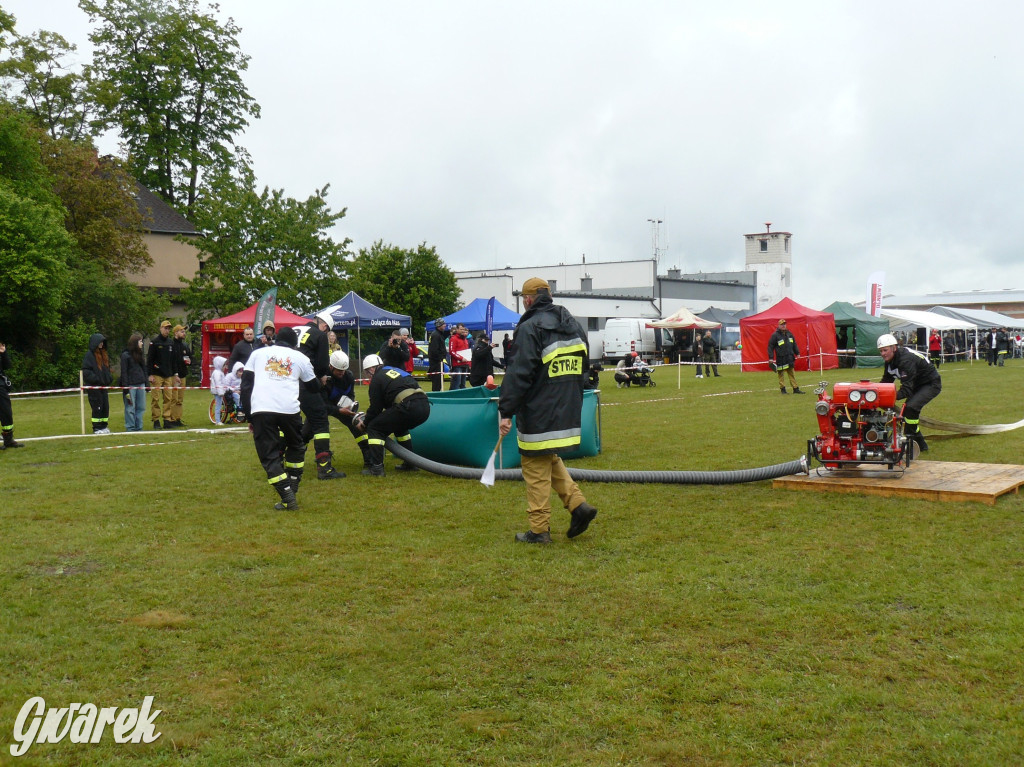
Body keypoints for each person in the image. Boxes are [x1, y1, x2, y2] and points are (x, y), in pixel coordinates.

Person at [498, 277, 597, 544]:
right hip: (569, 409)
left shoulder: (530, 327)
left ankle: (539, 529)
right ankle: (578, 506)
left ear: (528, 300)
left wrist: (505, 410)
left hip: (539, 412)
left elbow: (519, 373)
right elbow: (585, 366)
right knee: (547, 458)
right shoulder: (572, 323)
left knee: (533, 464)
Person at [240, 326, 319, 511]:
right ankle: (292, 486)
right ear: (295, 344)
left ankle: (287, 496)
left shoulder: (258, 354)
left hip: (262, 409)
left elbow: (245, 386)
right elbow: (314, 387)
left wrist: (249, 416)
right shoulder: (301, 358)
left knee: (269, 455)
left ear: (275, 339)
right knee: (296, 446)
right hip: (289, 409)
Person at [356, 353, 431, 476]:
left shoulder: (377, 378)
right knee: (399, 427)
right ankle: (410, 463)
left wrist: (365, 423)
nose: (368, 377)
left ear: (371, 369)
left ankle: (377, 468)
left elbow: (376, 409)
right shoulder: (394, 369)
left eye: (367, 373)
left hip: (408, 406)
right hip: (424, 406)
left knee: (374, 427)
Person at [297, 311, 345, 479]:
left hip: (285, 383)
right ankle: (324, 468)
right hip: (304, 382)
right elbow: (322, 364)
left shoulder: (296, 329)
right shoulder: (319, 335)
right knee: (320, 421)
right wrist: (321, 378)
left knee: (290, 423)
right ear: (325, 327)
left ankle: (285, 459)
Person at [877, 332, 941, 453]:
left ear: (894, 348)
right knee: (909, 413)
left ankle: (910, 445)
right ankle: (921, 445)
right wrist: (875, 393)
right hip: (916, 384)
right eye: (880, 351)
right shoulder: (890, 361)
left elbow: (906, 390)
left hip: (930, 383)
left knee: (910, 409)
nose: (883, 354)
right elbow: (886, 381)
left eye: (885, 350)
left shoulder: (905, 360)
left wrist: (889, 397)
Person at [324, 350, 372, 470]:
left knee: (358, 427)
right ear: (331, 367)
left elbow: (350, 394)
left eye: (343, 370)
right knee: (307, 433)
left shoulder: (348, 377)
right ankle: (288, 457)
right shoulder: (323, 378)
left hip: (342, 407)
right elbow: (320, 404)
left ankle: (369, 460)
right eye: (339, 370)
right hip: (324, 407)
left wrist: (349, 405)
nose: (342, 373)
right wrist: (338, 410)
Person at [147, 320, 176, 428]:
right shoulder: (154, 342)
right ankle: (156, 420)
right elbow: (149, 359)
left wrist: (174, 374)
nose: (167, 330)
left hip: (168, 375)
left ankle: (167, 419)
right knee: (156, 398)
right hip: (157, 374)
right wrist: (150, 374)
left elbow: (173, 360)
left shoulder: (170, 343)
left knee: (168, 398)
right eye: (165, 328)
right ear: (160, 328)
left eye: (168, 329)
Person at [82, 333, 113, 434]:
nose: (102, 344)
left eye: (103, 342)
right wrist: (96, 379)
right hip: (94, 387)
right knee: (97, 407)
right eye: (100, 342)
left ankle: (104, 426)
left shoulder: (103, 355)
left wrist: (108, 378)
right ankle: (96, 428)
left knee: (105, 406)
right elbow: (86, 372)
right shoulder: (89, 356)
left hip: (103, 387)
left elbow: (107, 369)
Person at [767, 318, 805, 394]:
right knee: (781, 374)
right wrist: (771, 357)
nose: (783, 325)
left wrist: (797, 353)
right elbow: (770, 347)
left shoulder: (789, 334)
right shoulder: (775, 335)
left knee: (792, 374)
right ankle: (783, 389)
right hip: (781, 358)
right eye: (782, 324)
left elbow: (794, 344)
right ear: (779, 325)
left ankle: (795, 389)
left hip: (790, 358)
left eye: (784, 324)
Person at [120, 332, 147, 432]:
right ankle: (130, 428)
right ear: (135, 342)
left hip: (141, 384)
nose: (142, 343)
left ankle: (139, 427)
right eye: (140, 341)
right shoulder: (125, 355)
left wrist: (146, 384)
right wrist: (126, 389)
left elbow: (144, 369)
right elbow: (124, 373)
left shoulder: (140, 354)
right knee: (130, 408)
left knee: (141, 407)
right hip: (130, 385)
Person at [0, 340, 23, 449]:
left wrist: (3, 353)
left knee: (6, 413)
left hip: (1, 386)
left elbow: (7, 366)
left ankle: (8, 440)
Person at [168, 324, 192, 428]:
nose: (184, 333)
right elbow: (171, 361)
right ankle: (172, 419)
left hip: (183, 374)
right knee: (174, 398)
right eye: (182, 331)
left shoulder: (185, 345)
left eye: (184, 331)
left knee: (180, 399)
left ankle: (178, 418)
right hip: (174, 375)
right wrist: (175, 374)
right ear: (176, 333)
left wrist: (189, 361)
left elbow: (190, 357)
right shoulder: (171, 344)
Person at [427, 317, 450, 392]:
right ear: (439, 325)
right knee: (437, 382)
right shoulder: (436, 335)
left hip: (438, 361)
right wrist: (440, 358)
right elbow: (434, 350)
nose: (445, 325)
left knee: (439, 381)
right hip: (436, 362)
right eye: (443, 324)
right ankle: (435, 395)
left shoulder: (438, 334)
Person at [448, 323, 471, 389]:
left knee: (463, 383)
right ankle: (453, 396)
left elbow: (467, 352)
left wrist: (469, 363)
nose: (462, 331)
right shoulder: (453, 338)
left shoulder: (465, 339)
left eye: (463, 329)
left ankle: (462, 397)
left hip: (465, 364)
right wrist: (461, 358)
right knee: (456, 382)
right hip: (457, 364)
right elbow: (452, 351)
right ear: (457, 329)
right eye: (461, 329)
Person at [210, 356, 229, 425]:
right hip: (218, 392)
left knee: (219, 405)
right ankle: (217, 421)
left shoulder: (220, 372)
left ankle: (218, 420)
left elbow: (223, 382)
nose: (225, 367)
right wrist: (221, 392)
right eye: (224, 365)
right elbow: (218, 383)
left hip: (219, 391)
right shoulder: (217, 373)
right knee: (218, 406)